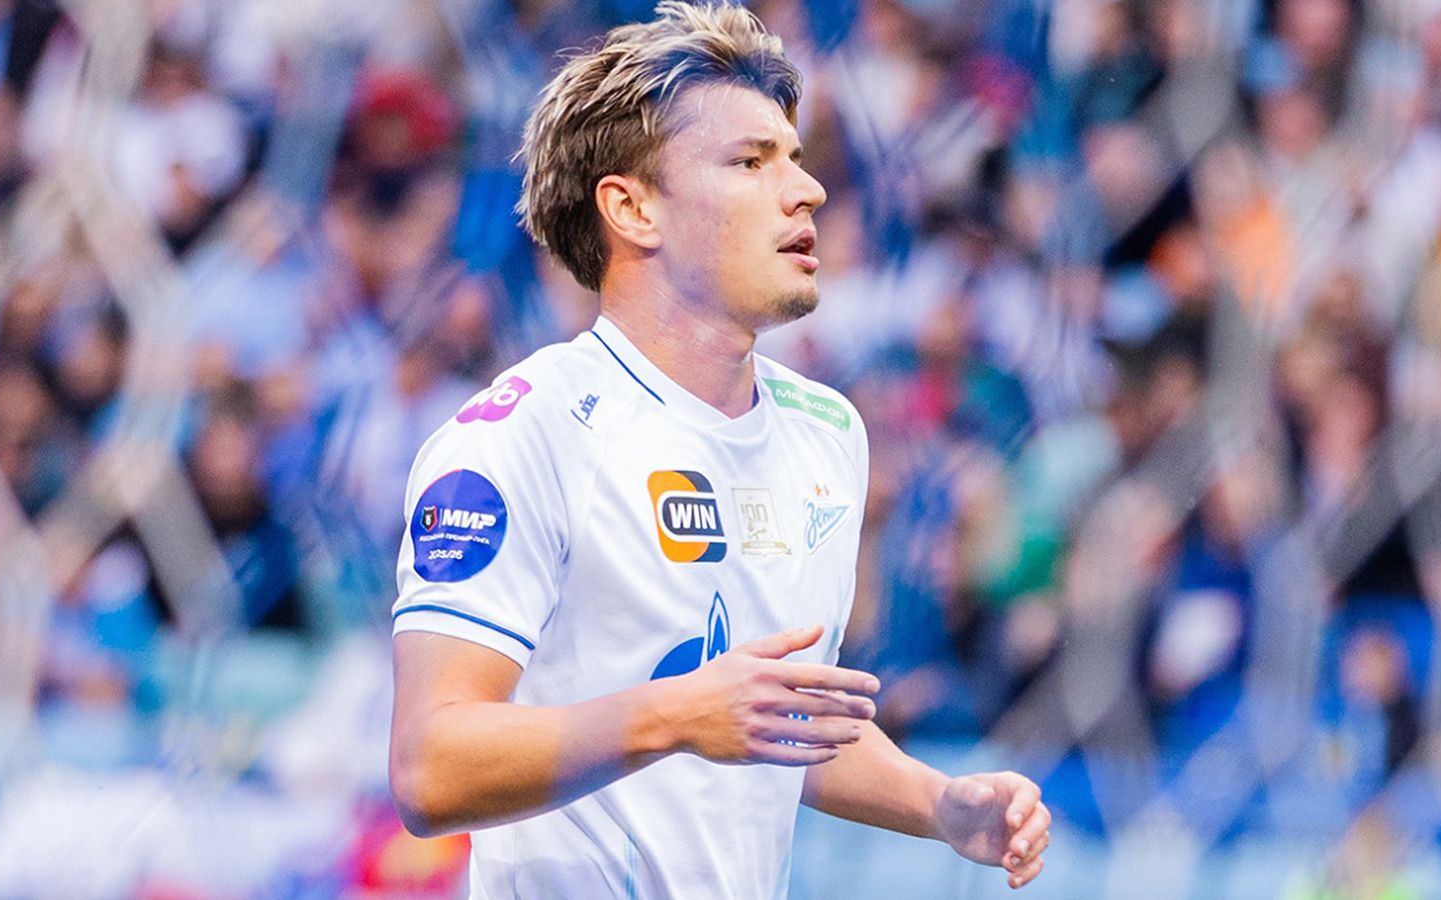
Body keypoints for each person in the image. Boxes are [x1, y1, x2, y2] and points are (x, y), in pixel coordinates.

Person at [387, 4, 1052, 897]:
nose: (807, 190)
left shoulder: (826, 432)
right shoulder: (524, 433)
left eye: (797, 158)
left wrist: (938, 804)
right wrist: (676, 714)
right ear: (633, 208)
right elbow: (430, 766)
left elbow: (779, 719)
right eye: (750, 162)